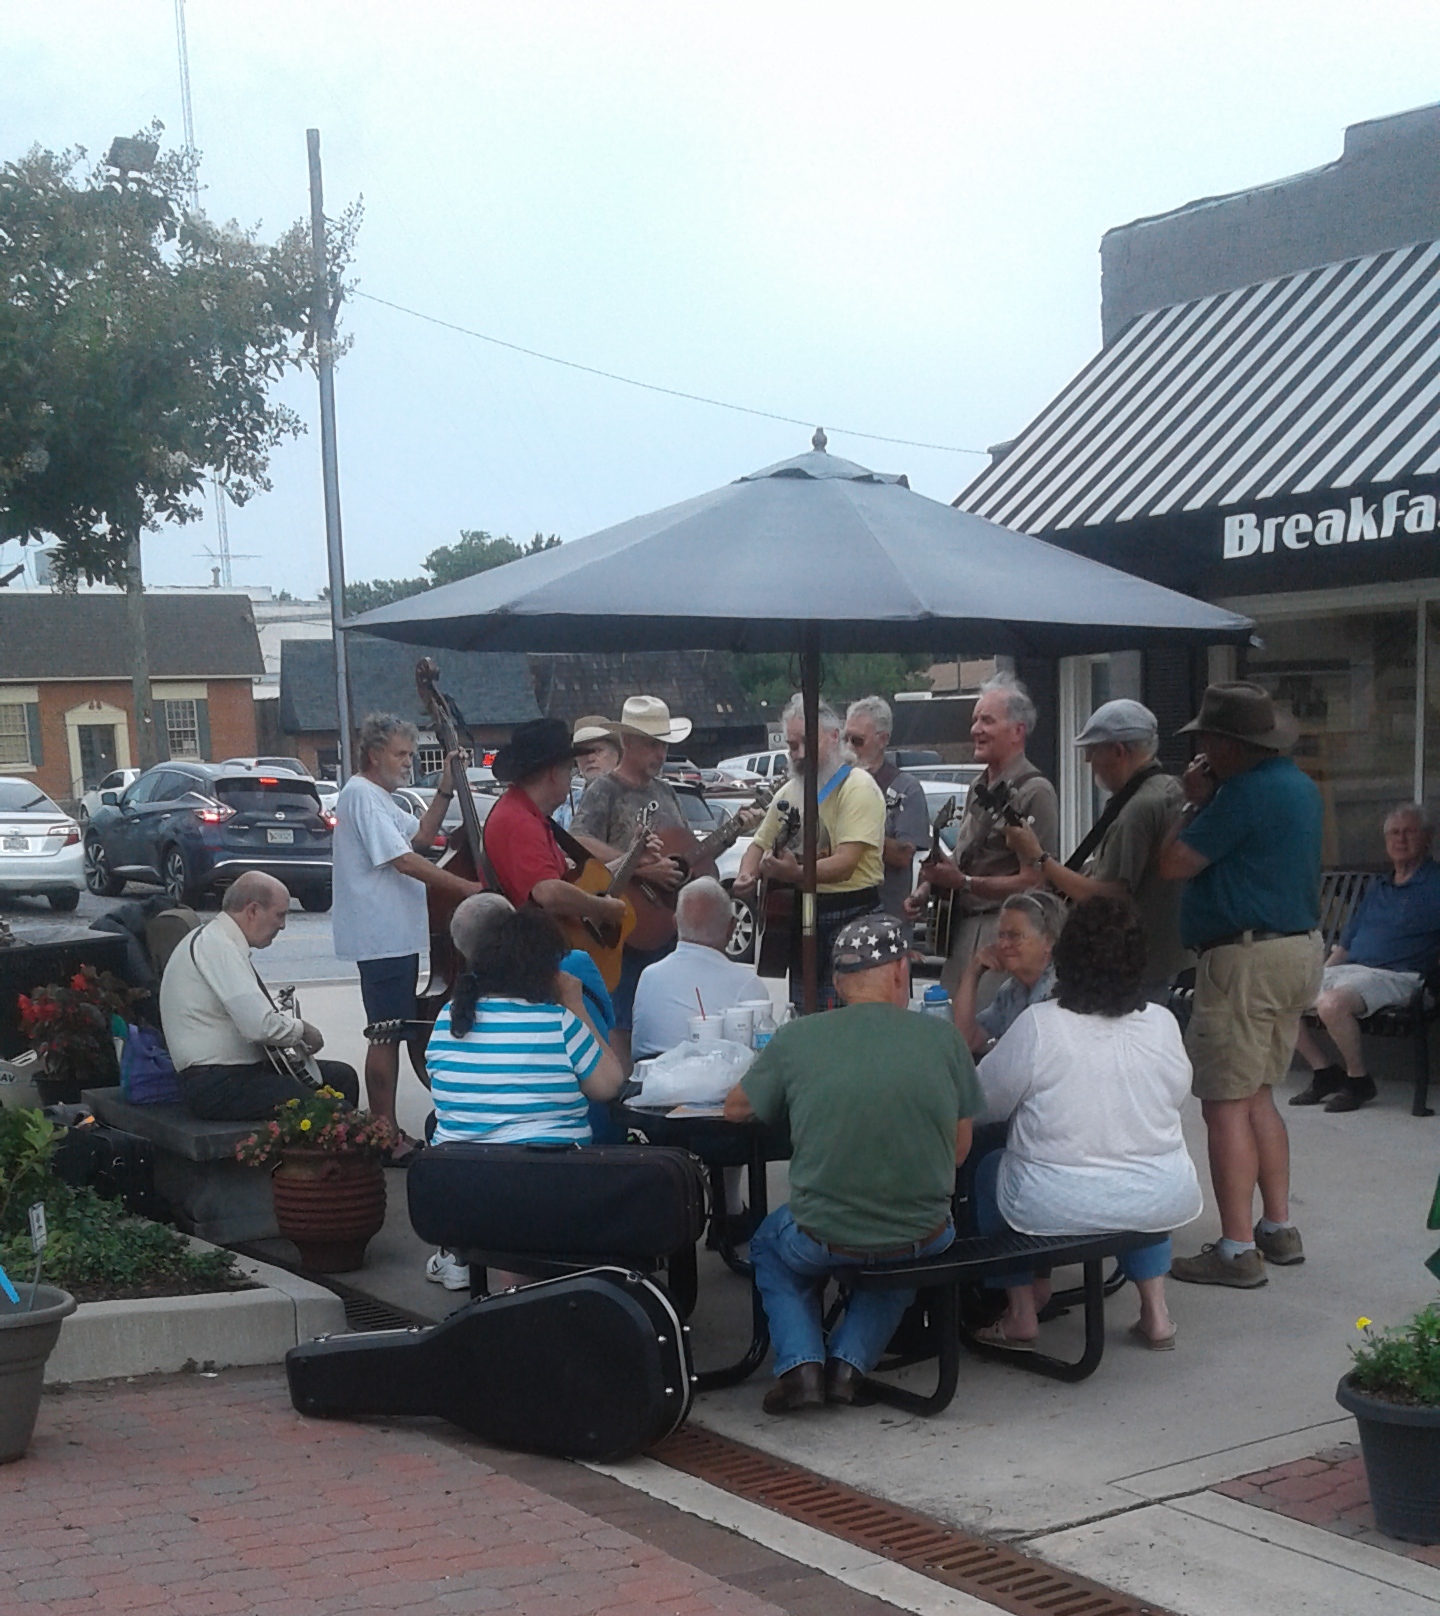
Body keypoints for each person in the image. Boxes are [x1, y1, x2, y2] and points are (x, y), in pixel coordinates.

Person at [724, 914, 980, 1413]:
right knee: (907, 1252)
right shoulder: (945, 1040)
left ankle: (801, 1367)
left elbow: (736, 1108)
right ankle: (848, 1364)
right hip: (920, 1232)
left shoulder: (799, 1038)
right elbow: (959, 1151)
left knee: (769, 1246)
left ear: (838, 983)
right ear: (902, 972)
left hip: (824, 1236)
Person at [971, 895, 1202, 1350]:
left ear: (1067, 957)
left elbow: (981, 1104)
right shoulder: (1161, 1022)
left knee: (986, 1169)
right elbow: (1176, 1097)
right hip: (1161, 1193)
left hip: (1054, 1202)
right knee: (1138, 1178)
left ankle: (1020, 1311)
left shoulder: (1041, 1024)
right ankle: (1156, 1314)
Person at [1158, 682, 1323, 1287]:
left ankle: (1235, 1249)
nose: (1197, 749)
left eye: (1204, 738)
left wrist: (1194, 802)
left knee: (1225, 1102)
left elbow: (1173, 863)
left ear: (1226, 744)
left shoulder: (1240, 795)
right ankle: (1278, 1228)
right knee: (1259, 1094)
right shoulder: (1297, 786)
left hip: (1244, 959)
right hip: (1297, 949)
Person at [422, 905, 625, 1292]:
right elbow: (610, 1085)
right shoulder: (558, 1023)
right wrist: (576, 1003)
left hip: (460, 1195)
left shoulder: (448, 1018)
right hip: (546, 1195)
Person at [332, 712, 485, 1162]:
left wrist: (444, 790)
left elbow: (419, 838)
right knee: (385, 1035)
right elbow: (402, 860)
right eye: (402, 754)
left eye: (412, 755)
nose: (408, 763)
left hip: (395, 938)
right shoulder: (360, 794)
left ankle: (388, 1133)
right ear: (374, 754)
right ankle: (384, 1136)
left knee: (393, 1032)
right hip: (380, 937)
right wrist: (468, 889)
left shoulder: (382, 798)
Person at [1005, 699, 1189, 1001]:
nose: (1088, 760)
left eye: (1094, 750)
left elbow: (1111, 896)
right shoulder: (1169, 788)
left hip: (1135, 965)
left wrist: (1039, 857)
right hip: (1164, 957)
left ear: (1119, 752)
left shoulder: (1137, 809)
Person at [161, 871, 359, 1120]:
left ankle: (346, 1155)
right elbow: (259, 1026)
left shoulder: (219, 941)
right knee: (328, 1110)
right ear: (252, 910)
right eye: (280, 914)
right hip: (215, 1083)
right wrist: (302, 1030)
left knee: (342, 1077)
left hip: (237, 1073)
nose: (283, 925)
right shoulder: (218, 947)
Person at [905, 673, 1058, 993]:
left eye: (987, 720)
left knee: (989, 1034)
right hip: (962, 931)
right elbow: (963, 859)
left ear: (1018, 731)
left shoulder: (1036, 792)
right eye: (975, 720)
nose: (975, 729)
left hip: (1004, 932)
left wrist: (965, 883)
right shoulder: (978, 786)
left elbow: (1036, 880)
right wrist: (929, 886)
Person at [733, 695, 886, 1009]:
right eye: (791, 746)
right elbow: (759, 844)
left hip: (851, 913)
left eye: (806, 743)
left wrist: (796, 873)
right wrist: (747, 875)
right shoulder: (791, 791)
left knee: (846, 1012)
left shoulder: (857, 787)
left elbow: (846, 862)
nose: (798, 754)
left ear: (833, 737)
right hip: (801, 913)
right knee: (805, 1011)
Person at [570, 696, 695, 1063]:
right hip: (622, 929)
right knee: (621, 1022)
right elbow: (579, 841)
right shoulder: (604, 790)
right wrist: (638, 866)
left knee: (664, 1016)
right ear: (629, 743)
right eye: (653, 744)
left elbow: (682, 845)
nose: (661, 753)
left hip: (662, 925)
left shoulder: (666, 790)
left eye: (664, 744)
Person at [1293, 803, 1440, 1113]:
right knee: (1280, 994)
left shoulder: (1436, 884)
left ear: (1428, 839)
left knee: (1331, 1004)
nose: (1400, 839)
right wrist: (1317, 976)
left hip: (1400, 977)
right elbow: (1346, 943)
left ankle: (1359, 1081)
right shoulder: (1379, 885)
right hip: (1353, 971)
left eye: (1409, 832)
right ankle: (1324, 1072)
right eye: (1394, 833)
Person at [482, 718, 630, 934]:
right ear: (553, 774)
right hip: (534, 952)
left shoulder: (527, 815)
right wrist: (603, 907)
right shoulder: (519, 822)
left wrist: (630, 859)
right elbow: (548, 892)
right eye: (568, 770)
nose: (570, 779)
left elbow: (569, 880)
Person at [631, 878, 762, 1057]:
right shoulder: (748, 984)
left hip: (650, 1081)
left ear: (675, 923)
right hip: (716, 1080)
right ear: (732, 928)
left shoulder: (648, 976)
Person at [844, 696, 930, 918]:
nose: (848, 748)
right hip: (842, 910)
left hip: (886, 917)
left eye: (857, 741)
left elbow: (903, 855)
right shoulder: (837, 784)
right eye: (845, 739)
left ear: (882, 740)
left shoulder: (906, 788)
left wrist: (856, 834)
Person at [953, 890, 1063, 1055]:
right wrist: (972, 973)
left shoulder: (1062, 991)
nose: (1003, 944)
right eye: (1001, 935)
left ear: (1048, 941)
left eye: (1015, 936)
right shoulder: (1011, 991)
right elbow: (964, 1041)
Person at [554, 716, 619, 831]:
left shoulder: (637, 798)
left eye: (598, 751)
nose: (590, 758)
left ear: (616, 755)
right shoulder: (563, 804)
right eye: (583, 752)